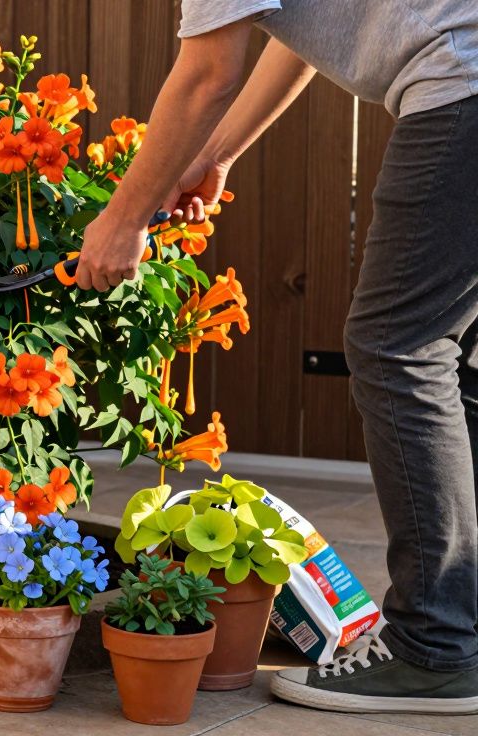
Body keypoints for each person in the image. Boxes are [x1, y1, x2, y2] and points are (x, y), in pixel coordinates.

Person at [77, 0, 478, 716]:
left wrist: (122, 219)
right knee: (456, 360)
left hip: (464, 92)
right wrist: (216, 154)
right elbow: (294, 39)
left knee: (397, 347)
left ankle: (435, 649)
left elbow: (207, 74)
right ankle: (462, 629)